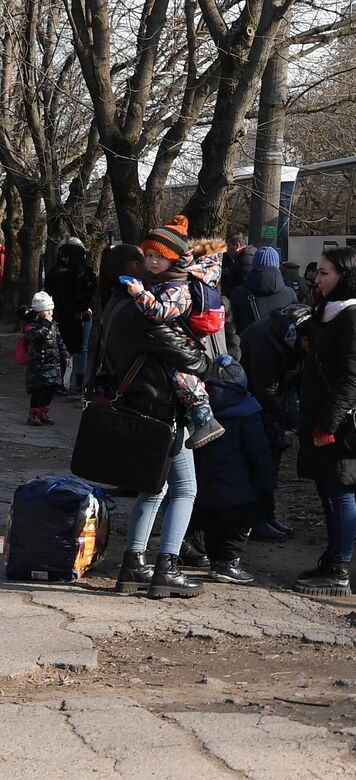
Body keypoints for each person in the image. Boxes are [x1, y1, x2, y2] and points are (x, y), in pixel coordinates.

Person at [95, 243, 214, 599]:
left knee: (154, 487)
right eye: (144, 258)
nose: (151, 263)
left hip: (139, 406)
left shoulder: (114, 306)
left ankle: (133, 564)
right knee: (185, 489)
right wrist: (204, 359)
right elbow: (195, 361)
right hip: (162, 411)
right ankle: (168, 567)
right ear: (133, 266)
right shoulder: (141, 312)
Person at [293, 246, 356, 596]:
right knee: (330, 490)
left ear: (343, 278)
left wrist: (329, 423)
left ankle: (340, 568)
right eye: (317, 272)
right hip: (327, 415)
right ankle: (333, 559)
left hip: (343, 422)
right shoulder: (332, 311)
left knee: (340, 490)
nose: (317, 278)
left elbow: (355, 375)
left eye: (324, 273)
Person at [124, 216, 225, 448]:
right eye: (149, 255)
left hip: (183, 342)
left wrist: (139, 294)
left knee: (182, 377)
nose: (153, 261)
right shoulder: (161, 281)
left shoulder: (179, 287)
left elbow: (160, 312)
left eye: (160, 257)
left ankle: (205, 418)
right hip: (172, 341)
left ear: (174, 258)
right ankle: (194, 422)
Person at [194, 354, 277, 584]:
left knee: (213, 526)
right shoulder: (248, 413)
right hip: (242, 490)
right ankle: (228, 562)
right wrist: (268, 481)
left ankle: (214, 561)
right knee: (239, 528)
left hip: (208, 485)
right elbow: (259, 451)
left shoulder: (202, 411)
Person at [239, 302, 310, 540]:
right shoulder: (266, 340)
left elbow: (301, 376)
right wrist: (294, 419)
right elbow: (264, 390)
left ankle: (267, 515)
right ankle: (257, 519)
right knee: (261, 458)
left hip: (275, 392)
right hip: (252, 396)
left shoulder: (299, 340)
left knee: (273, 456)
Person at [45, 238, 94, 389]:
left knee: (70, 348)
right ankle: (69, 380)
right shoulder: (76, 273)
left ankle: (68, 380)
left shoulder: (64, 272)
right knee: (73, 348)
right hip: (73, 315)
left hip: (68, 314)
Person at [22, 291, 70, 426]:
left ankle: (43, 410)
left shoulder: (54, 324)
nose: (50, 313)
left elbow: (59, 341)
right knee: (39, 389)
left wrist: (65, 354)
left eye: (51, 310)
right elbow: (35, 336)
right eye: (47, 310)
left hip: (53, 363)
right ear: (39, 310)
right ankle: (34, 412)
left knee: (51, 388)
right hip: (39, 364)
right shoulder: (31, 325)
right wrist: (46, 325)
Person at [229, 243, 295, 338]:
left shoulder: (239, 293)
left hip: (248, 348)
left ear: (254, 265)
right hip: (279, 350)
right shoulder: (290, 294)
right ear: (277, 265)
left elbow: (231, 327)